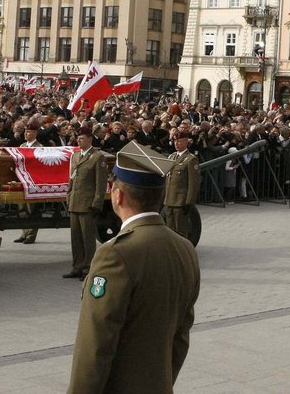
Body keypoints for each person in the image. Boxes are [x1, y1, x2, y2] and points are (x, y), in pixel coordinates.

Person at [68, 141, 200, 393]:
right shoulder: (185, 249)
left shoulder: (115, 253)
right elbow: (181, 336)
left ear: (118, 195)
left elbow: (96, 344)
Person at [64, 126, 108, 280]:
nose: (79, 140)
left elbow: (100, 183)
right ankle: (77, 266)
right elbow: (72, 178)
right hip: (75, 202)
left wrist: (97, 203)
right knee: (75, 238)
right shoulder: (75, 156)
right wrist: (69, 195)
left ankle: (88, 268)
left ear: (90, 139)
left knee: (87, 238)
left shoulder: (97, 157)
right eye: (78, 138)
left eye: (82, 138)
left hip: (88, 203)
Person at [14, 118, 45, 245]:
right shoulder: (22, 146)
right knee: (22, 208)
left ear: (35, 133)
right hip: (22, 180)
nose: (26, 134)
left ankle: (31, 234)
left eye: (29, 132)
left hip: (33, 180)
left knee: (31, 209)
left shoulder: (40, 147)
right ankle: (25, 232)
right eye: (25, 132)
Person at [164, 131, 200, 239]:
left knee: (180, 232)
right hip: (169, 200)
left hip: (180, 201)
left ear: (186, 142)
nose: (176, 143)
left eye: (179, 141)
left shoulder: (191, 159)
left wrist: (189, 202)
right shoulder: (171, 157)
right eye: (175, 141)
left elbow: (193, 183)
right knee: (170, 231)